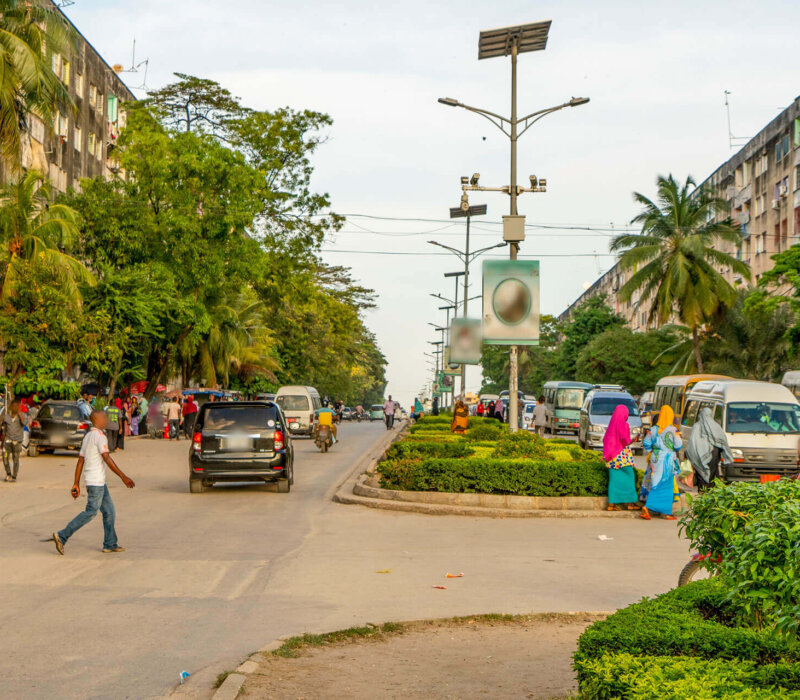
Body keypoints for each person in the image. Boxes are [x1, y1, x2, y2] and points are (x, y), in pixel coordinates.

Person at [52, 410, 135, 555]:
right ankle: (62, 535)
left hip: (96, 482)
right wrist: (123, 476)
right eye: (105, 418)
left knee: (109, 511)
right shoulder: (100, 436)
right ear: (98, 420)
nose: (107, 420)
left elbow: (80, 461)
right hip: (96, 482)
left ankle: (110, 543)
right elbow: (107, 458)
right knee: (91, 512)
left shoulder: (88, 436)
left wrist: (76, 483)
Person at [640, 405, 683, 520]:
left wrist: (653, 452)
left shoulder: (653, 429)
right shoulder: (673, 430)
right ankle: (653, 508)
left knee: (656, 482)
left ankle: (660, 510)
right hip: (667, 460)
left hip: (655, 458)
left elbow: (646, 443)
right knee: (666, 484)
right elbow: (678, 446)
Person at [686, 407, 733, 491]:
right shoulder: (716, 427)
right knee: (713, 478)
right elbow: (723, 442)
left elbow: (692, 444)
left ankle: (703, 496)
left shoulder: (697, 427)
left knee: (702, 479)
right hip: (714, 458)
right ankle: (711, 498)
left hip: (700, 459)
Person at [602, 405, 640, 511]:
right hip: (622, 455)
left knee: (614, 480)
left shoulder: (611, 426)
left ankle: (611, 504)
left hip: (612, 457)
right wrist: (634, 439)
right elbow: (625, 441)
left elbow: (606, 440)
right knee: (630, 476)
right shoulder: (623, 424)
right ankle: (631, 503)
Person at [1, 399, 27, 482]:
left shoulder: (23, 416)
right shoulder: (7, 416)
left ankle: (14, 476)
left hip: (17, 442)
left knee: (16, 459)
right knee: (5, 458)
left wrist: (19, 414)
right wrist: (2, 442)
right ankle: (8, 473)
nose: (16, 408)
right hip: (7, 441)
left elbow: (24, 423)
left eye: (18, 406)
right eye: (14, 406)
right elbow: (4, 430)